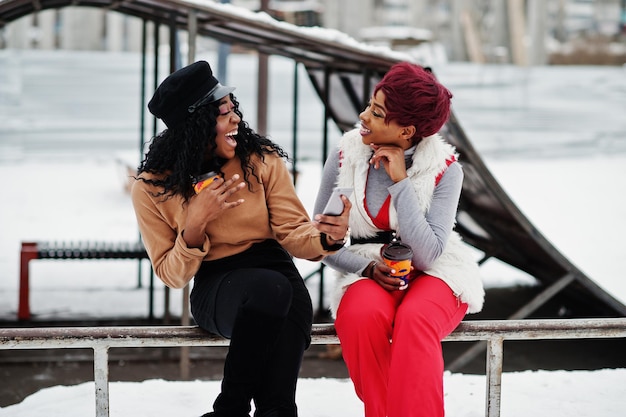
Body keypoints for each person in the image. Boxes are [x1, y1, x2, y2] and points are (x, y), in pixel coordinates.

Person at [131, 60, 351, 417]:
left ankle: (229, 413)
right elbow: (171, 275)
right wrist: (196, 222)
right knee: (271, 289)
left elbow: (293, 232)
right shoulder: (152, 186)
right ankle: (230, 409)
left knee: (278, 406)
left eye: (234, 107)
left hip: (277, 272)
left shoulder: (259, 160)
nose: (235, 119)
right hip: (217, 287)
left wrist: (328, 238)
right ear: (196, 125)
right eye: (223, 113)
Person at [313, 62, 485, 417]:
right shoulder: (347, 158)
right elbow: (320, 243)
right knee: (361, 315)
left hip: (439, 270)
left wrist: (401, 181)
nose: (363, 116)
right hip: (368, 267)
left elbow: (426, 255)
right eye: (370, 106)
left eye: (377, 112)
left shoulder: (445, 169)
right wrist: (366, 268)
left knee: (416, 318)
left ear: (406, 130)